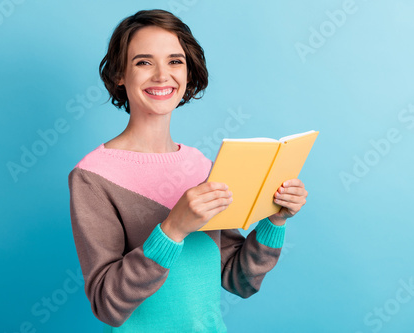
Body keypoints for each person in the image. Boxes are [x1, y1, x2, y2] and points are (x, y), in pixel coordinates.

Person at [68, 9, 308, 332]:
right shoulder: (92, 176)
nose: (161, 75)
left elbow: (238, 279)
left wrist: (275, 221)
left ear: (189, 72)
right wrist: (173, 230)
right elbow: (107, 304)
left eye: (174, 61)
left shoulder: (203, 167)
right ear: (119, 75)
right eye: (143, 62)